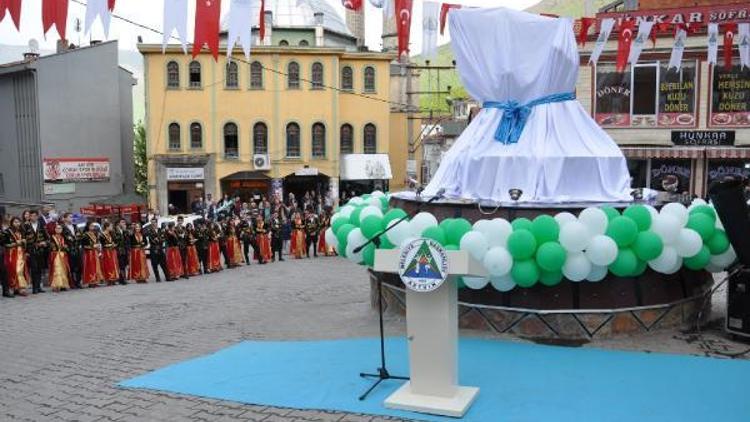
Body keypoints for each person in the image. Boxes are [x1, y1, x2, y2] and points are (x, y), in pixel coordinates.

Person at [24, 210, 49, 294]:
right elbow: (24, 239)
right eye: (32, 216)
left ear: (37, 216)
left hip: (40, 250)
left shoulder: (41, 225)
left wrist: (45, 242)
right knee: (34, 269)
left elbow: (47, 238)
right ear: (29, 217)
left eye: (35, 216)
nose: (33, 217)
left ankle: (38, 287)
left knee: (39, 268)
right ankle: (34, 288)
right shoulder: (25, 226)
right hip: (31, 250)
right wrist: (26, 251)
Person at [3, 217, 29, 296]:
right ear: (12, 223)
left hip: (20, 253)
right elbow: (4, 244)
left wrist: (24, 242)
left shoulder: (22, 231)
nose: (17, 224)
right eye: (15, 222)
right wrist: (16, 243)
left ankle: (20, 287)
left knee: (20, 270)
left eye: (18, 222)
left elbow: (24, 243)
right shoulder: (7, 232)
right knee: (13, 270)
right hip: (11, 254)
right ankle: (13, 287)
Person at [48, 224, 71, 292]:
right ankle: (56, 285)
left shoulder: (63, 237)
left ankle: (63, 284)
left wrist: (66, 247)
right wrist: (58, 248)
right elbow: (51, 246)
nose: (59, 229)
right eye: (57, 228)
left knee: (64, 270)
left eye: (60, 228)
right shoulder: (52, 237)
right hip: (56, 255)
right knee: (57, 269)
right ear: (55, 229)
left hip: (63, 255)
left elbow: (67, 245)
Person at [61, 213, 82, 288]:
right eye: (70, 217)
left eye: (72, 217)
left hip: (77, 248)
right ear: (65, 218)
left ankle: (78, 282)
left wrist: (78, 241)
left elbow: (80, 235)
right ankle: (72, 282)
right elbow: (63, 238)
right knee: (71, 267)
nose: (71, 218)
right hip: (69, 249)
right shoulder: (62, 228)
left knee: (79, 266)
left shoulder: (75, 226)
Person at [80, 221, 104, 287]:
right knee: (90, 267)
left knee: (96, 266)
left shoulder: (94, 234)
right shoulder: (85, 235)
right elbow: (83, 245)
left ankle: (96, 280)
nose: (93, 227)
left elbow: (97, 242)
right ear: (88, 226)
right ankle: (91, 281)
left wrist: (98, 248)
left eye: (93, 226)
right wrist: (92, 246)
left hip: (95, 252)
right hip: (89, 253)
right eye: (91, 226)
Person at [145, 217, 167, 282]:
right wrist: (157, 239)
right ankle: (157, 277)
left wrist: (159, 239)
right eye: (152, 222)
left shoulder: (160, 230)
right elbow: (150, 238)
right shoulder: (149, 231)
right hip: (153, 248)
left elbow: (164, 238)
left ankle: (167, 276)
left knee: (163, 263)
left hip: (160, 248)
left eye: (154, 222)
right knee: (154, 264)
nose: (153, 224)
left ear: (157, 223)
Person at [100, 222, 120, 286]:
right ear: (107, 227)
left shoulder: (111, 233)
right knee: (108, 265)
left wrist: (114, 244)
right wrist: (110, 245)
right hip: (106, 252)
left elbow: (115, 241)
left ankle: (113, 278)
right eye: (110, 226)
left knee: (113, 264)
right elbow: (102, 244)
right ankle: (108, 279)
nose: (111, 228)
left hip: (112, 251)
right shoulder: (102, 235)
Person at [114, 219, 129, 285]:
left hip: (124, 250)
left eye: (124, 222)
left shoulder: (125, 231)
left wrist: (125, 231)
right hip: (119, 250)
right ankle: (123, 279)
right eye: (122, 222)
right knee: (121, 265)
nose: (123, 223)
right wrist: (122, 232)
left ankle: (121, 278)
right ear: (118, 223)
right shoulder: (115, 231)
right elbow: (116, 240)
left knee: (125, 264)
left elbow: (127, 239)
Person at [0, 214, 11, 297]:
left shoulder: (3, 230)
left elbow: (6, 242)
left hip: (1, 253)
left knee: (4, 271)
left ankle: (6, 291)